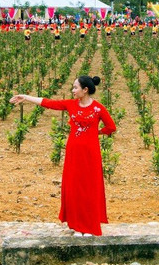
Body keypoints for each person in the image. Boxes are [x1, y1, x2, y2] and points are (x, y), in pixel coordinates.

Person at [12, 76, 116, 236]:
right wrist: (26, 97)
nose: (73, 91)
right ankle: (76, 224)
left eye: (75, 88)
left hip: (90, 154)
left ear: (85, 90)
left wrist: (96, 133)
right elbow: (48, 103)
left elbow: (111, 126)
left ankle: (89, 226)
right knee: (74, 187)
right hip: (73, 152)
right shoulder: (70, 104)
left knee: (89, 188)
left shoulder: (98, 108)